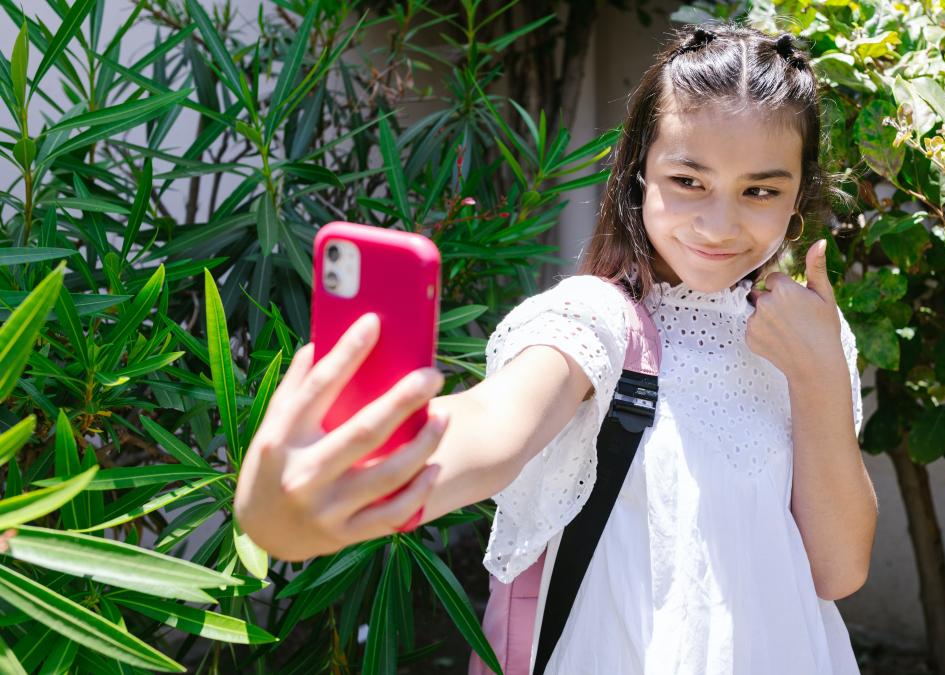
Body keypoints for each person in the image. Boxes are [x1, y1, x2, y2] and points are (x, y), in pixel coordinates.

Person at [234, 22, 877, 674]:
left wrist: (819, 372)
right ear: (638, 176)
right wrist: (309, 503)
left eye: (759, 190)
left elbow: (841, 566)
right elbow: (491, 429)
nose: (719, 223)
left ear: (799, 196)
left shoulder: (810, 335)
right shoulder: (598, 317)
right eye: (688, 180)